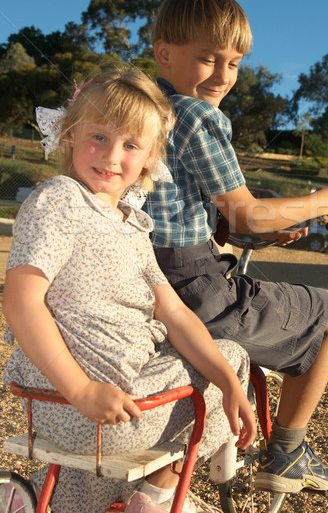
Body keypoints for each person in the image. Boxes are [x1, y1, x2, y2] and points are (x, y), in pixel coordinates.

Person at [2, 66, 256, 513]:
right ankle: (158, 493)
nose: (112, 156)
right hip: (80, 401)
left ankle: (99, 499)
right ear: (70, 136)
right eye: (99, 136)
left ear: (149, 158)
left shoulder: (133, 225)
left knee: (214, 363)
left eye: (131, 145)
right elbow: (21, 302)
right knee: (232, 359)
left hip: (98, 405)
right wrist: (81, 390)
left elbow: (174, 313)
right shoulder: (59, 199)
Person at [143, 0, 328, 494]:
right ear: (164, 53)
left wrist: (267, 227)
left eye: (233, 63)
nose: (223, 76)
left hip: (147, 279)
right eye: (209, 59)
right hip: (194, 290)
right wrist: (324, 200)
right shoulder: (195, 115)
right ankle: (287, 451)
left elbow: (200, 215)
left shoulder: (139, 109)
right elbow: (248, 215)